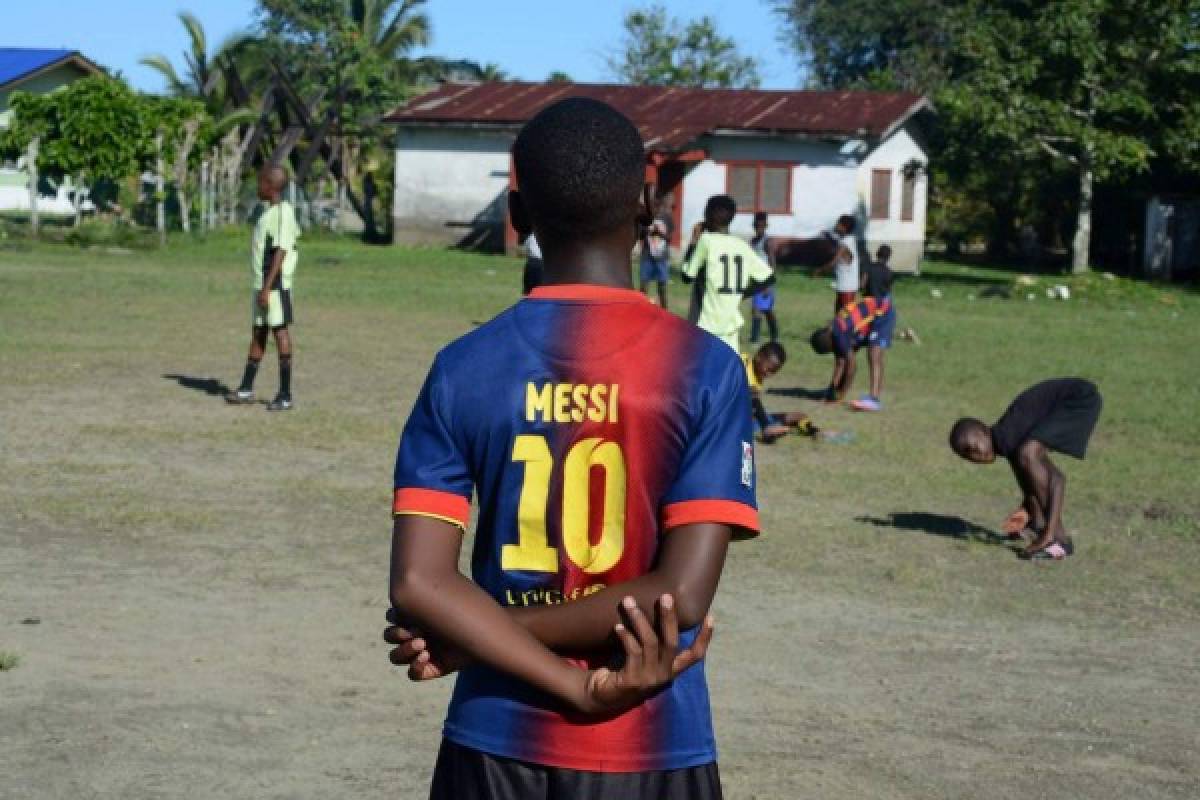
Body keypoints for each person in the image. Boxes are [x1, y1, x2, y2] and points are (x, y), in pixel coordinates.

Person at [385, 97, 760, 800]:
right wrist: (579, 685)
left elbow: (420, 584)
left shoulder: (463, 367)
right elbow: (676, 598)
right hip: (651, 739)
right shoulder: (704, 368)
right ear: (647, 206)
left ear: (519, 217)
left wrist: (477, 636)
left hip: (494, 740)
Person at [948, 379, 1103, 560]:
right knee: (1026, 457)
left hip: (1080, 399)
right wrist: (1027, 513)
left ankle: (1058, 540)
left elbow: (1056, 479)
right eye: (967, 455)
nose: (975, 455)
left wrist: (1048, 532)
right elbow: (1029, 483)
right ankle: (1037, 525)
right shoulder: (1007, 442)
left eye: (973, 446)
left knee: (1028, 453)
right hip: (1074, 399)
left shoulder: (1008, 436)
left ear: (984, 430)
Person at [225, 164, 299, 411]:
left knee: (280, 332)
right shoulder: (267, 213)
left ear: (271, 186)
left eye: (260, 183)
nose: (257, 187)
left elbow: (280, 250)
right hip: (262, 286)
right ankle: (246, 389)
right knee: (258, 333)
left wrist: (268, 288)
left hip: (275, 286)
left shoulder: (282, 213)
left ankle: (285, 394)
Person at [681, 195, 774, 353]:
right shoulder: (742, 246)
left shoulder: (706, 241)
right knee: (727, 374)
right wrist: (742, 294)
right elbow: (769, 278)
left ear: (709, 216)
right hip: (730, 327)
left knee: (704, 373)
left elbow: (687, 276)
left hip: (707, 326)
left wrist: (693, 242)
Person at [809, 295, 894, 405]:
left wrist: (841, 396)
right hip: (867, 318)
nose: (832, 352)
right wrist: (831, 390)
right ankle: (836, 392)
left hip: (882, 311)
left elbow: (852, 367)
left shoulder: (839, 334)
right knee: (845, 357)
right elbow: (840, 363)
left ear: (829, 344)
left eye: (829, 351)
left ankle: (874, 399)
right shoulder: (833, 332)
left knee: (874, 353)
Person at [851, 244, 896, 412]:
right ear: (888, 257)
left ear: (877, 254)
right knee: (877, 355)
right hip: (884, 311)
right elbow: (888, 291)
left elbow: (862, 285)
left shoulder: (869, 268)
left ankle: (874, 398)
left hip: (875, 312)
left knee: (873, 354)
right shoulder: (889, 273)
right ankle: (874, 394)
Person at [743, 342, 816, 443]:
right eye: (769, 369)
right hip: (724, 419)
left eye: (773, 371)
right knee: (752, 394)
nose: (769, 374)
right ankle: (767, 429)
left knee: (797, 416)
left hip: (743, 419)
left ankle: (810, 429)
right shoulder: (743, 362)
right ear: (759, 356)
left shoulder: (758, 376)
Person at [814, 214, 860, 314]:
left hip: (847, 287)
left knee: (846, 317)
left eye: (838, 224)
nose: (836, 225)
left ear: (844, 227)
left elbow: (833, 262)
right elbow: (837, 245)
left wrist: (819, 271)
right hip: (844, 285)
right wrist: (828, 237)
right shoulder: (847, 240)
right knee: (839, 316)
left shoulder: (846, 242)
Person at [748, 212, 779, 344]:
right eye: (756, 225)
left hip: (765, 281)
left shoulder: (768, 241)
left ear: (766, 226)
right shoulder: (753, 241)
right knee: (758, 309)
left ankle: (762, 337)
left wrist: (768, 283)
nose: (758, 228)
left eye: (761, 226)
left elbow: (772, 262)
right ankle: (761, 337)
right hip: (756, 280)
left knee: (764, 310)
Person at [638, 214, 670, 307]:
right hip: (647, 256)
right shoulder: (646, 216)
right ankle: (640, 309)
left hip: (662, 258)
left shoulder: (667, 217)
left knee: (662, 287)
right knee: (643, 286)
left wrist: (659, 232)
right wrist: (648, 230)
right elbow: (640, 235)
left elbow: (670, 237)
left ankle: (664, 311)